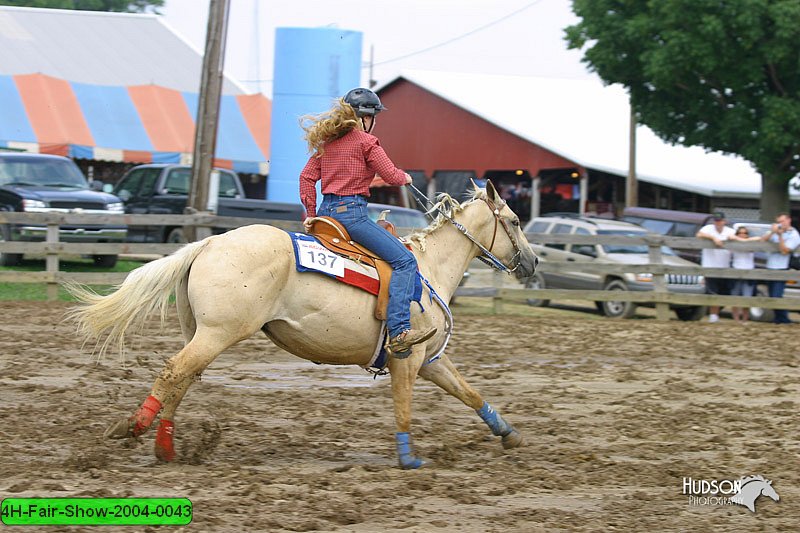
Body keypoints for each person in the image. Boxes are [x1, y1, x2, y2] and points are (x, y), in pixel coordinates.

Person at [298, 88, 436, 357]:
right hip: (352, 216)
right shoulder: (367, 142)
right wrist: (405, 177)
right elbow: (391, 175)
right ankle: (399, 331)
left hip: (327, 214)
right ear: (366, 117)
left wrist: (311, 214)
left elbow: (305, 178)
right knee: (405, 261)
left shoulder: (327, 142)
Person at [760, 212, 800, 324]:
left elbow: (785, 250)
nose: (780, 224)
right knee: (772, 294)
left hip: (782, 267)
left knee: (777, 295)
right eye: (779, 222)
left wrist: (780, 236)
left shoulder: (794, 234)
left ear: (789, 220)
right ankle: (779, 318)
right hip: (770, 266)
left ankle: (784, 319)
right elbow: (762, 241)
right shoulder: (775, 230)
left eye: (782, 221)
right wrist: (773, 231)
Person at [696, 212, 735, 323]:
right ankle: (713, 315)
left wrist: (732, 239)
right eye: (716, 220)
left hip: (724, 266)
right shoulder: (708, 228)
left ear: (724, 221)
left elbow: (735, 238)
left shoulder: (730, 231)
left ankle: (715, 314)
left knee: (724, 291)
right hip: (710, 265)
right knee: (713, 292)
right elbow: (699, 235)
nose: (717, 223)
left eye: (719, 220)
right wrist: (713, 238)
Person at [728, 226, 760, 324]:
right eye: (740, 233)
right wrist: (740, 240)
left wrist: (745, 241)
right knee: (735, 296)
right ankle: (736, 320)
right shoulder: (734, 243)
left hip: (748, 273)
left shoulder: (751, 243)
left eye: (745, 233)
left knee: (747, 297)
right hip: (736, 272)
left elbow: (759, 238)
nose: (743, 235)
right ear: (737, 234)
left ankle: (745, 320)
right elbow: (730, 236)